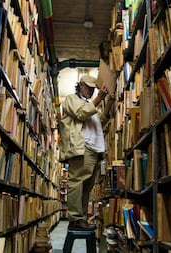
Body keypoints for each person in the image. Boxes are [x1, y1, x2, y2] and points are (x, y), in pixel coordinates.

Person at [59, 74, 115, 231]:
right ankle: (75, 218)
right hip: (82, 147)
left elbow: (100, 121)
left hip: (95, 150)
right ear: (81, 85)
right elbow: (81, 113)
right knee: (77, 182)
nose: (91, 91)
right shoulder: (71, 99)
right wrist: (98, 99)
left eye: (93, 88)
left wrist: (108, 103)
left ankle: (81, 218)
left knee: (86, 186)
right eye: (88, 87)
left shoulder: (88, 104)